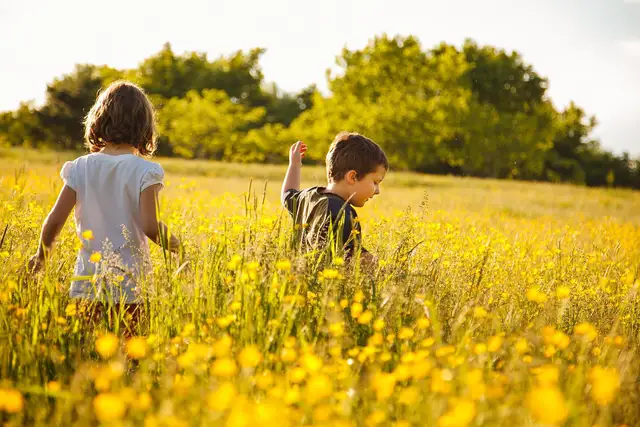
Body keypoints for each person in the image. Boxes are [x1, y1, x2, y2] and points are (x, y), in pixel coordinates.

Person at [28, 80, 181, 334]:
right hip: (131, 282)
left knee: (88, 349)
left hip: (87, 278)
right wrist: (179, 248)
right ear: (145, 126)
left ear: (98, 120)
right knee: (131, 354)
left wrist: (40, 258)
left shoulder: (81, 167)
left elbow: (54, 220)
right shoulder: (146, 171)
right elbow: (150, 226)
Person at [281, 131, 388, 263]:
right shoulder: (341, 211)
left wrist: (294, 164)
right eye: (375, 182)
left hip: (299, 276)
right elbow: (354, 256)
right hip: (328, 280)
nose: (377, 191)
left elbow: (287, 194)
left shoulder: (308, 198)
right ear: (352, 177)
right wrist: (385, 268)